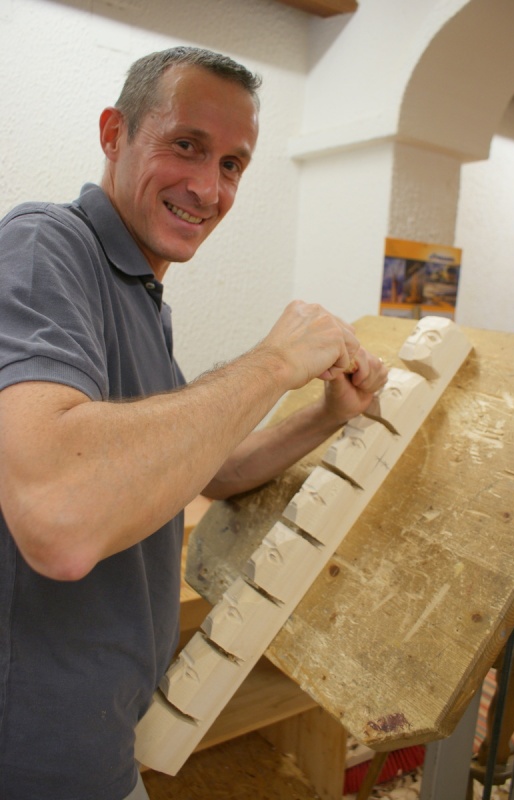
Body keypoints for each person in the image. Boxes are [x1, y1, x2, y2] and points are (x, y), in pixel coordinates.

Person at [0, 46, 387, 800]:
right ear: (114, 133)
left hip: (104, 738)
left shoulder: (141, 296)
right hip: (35, 759)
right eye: (186, 145)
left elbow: (213, 468)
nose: (209, 188)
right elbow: (59, 518)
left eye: (233, 165)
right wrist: (275, 361)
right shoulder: (47, 245)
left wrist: (326, 415)